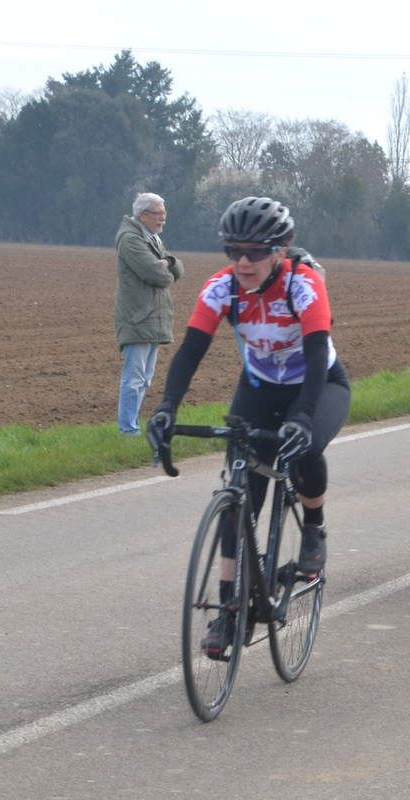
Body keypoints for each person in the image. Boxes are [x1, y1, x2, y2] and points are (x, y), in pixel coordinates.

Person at [147, 196, 351, 656]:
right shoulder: (222, 288)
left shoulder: (304, 284)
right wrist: (167, 407)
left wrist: (303, 416)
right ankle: (227, 610)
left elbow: (316, 352)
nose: (243, 262)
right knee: (239, 496)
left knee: (304, 448)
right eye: (234, 251)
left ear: (280, 251)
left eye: (256, 252)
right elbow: (191, 350)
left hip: (317, 384)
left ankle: (314, 525)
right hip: (259, 388)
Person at [114, 192, 185, 436]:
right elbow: (157, 275)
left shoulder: (152, 238)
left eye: (164, 213)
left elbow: (176, 268)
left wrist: (168, 263)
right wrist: (165, 266)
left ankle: (131, 428)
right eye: (158, 214)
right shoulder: (130, 240)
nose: (163, 218)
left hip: (152, 318)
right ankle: (127, 430)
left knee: (145, 379)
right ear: (143, 215)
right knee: (134, 378)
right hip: (137, 318)